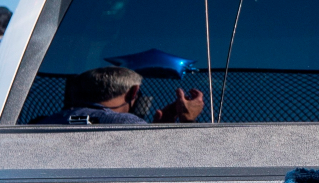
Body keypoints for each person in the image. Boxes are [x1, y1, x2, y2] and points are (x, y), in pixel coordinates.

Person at [31, 66, 204, 125]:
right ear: (133, 92)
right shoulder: (127, 124)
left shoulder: (41, 123)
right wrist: (187, 121)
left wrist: (160, 130)